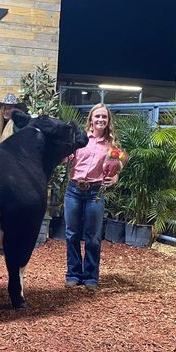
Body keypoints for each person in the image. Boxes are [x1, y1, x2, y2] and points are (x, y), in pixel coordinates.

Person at [64, 102, 123, 292]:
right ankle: (73, 274)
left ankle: (90, 276)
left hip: (95, 193)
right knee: (71, 234)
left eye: (104, 117)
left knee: (93, 237)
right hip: (73, 189)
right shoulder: (80, 138)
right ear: (91, 119)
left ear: (108, 120)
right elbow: (66, 158)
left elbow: (117, 165)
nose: (101, 120)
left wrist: (115, 176)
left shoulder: (112, 144)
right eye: (97, 116)